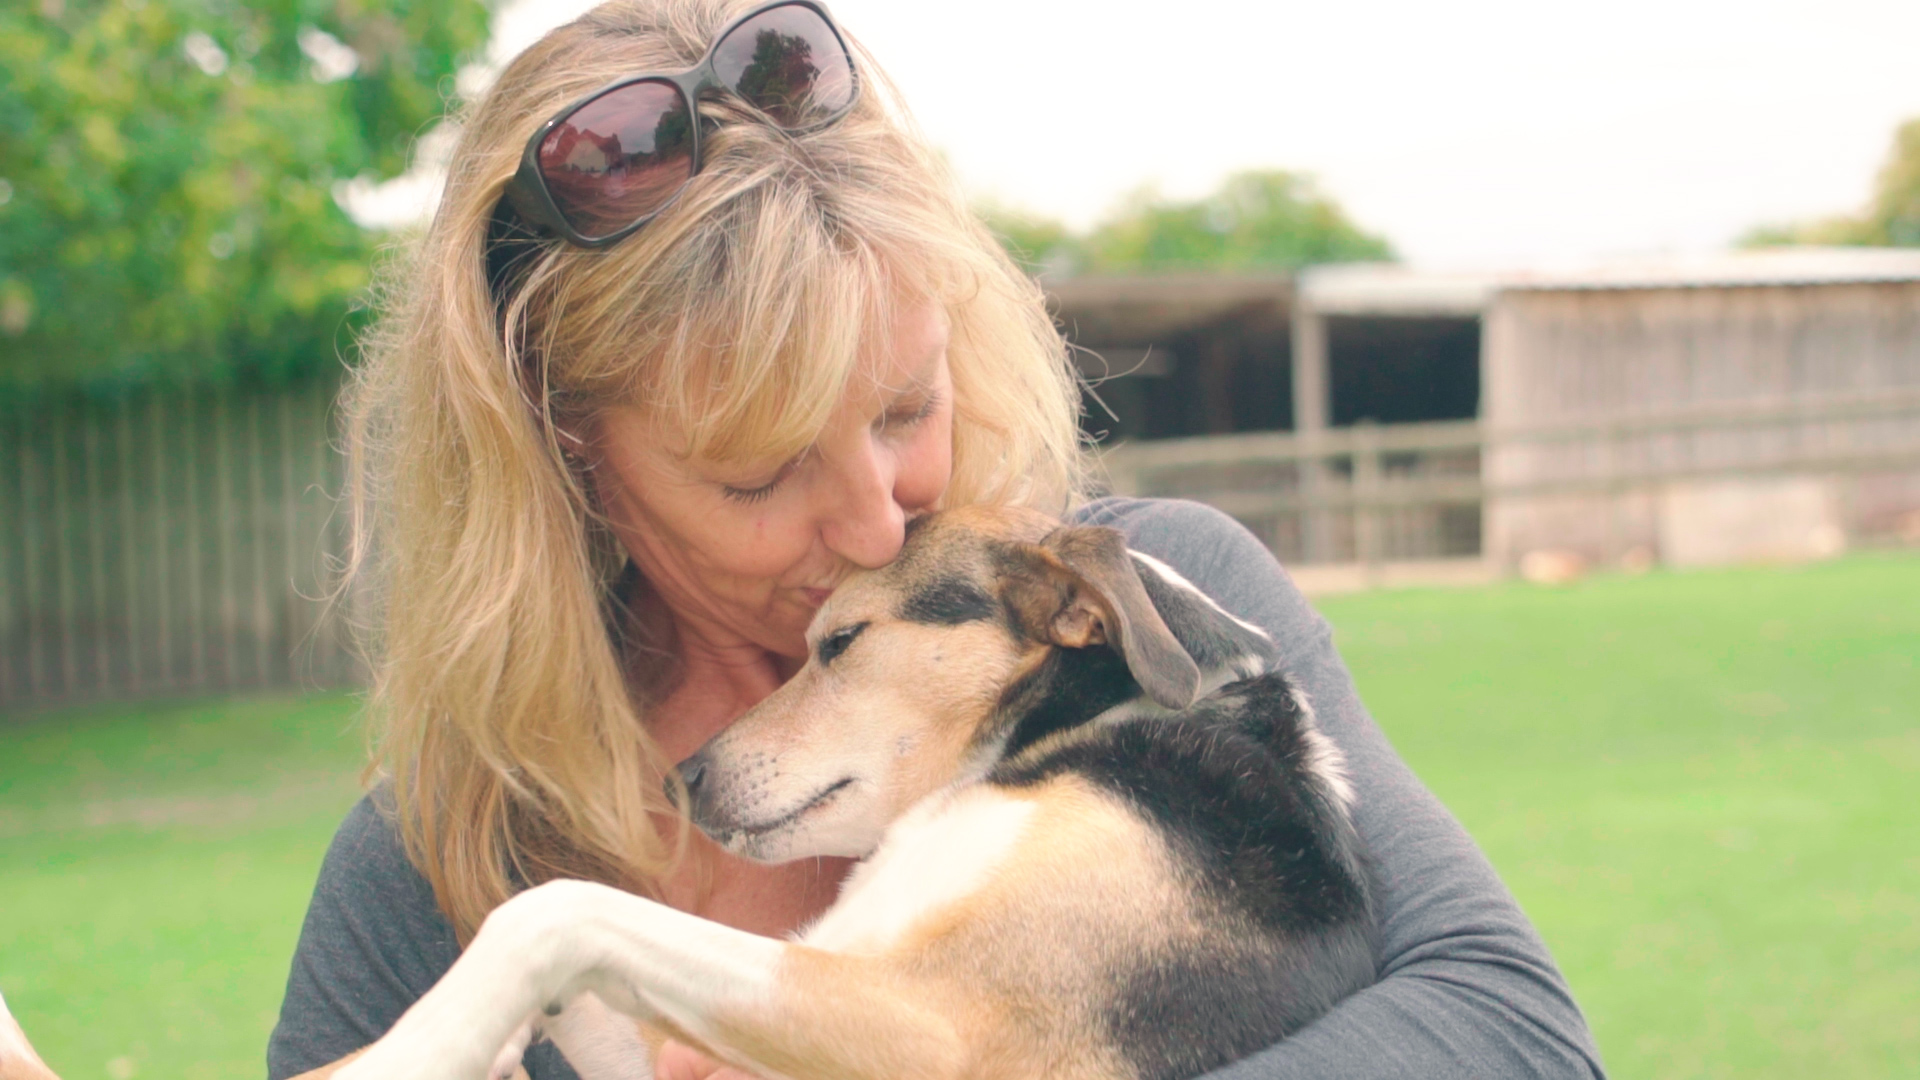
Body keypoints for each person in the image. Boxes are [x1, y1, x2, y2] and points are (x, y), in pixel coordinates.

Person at [267, 1, 1607, 1078]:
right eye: (762, 472)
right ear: (568, 445)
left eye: (908, 407)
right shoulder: (434, 854)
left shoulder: (1159, 613)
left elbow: (1518, 1037)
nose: (875, 516)